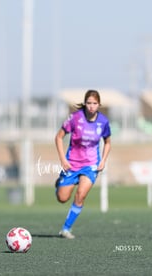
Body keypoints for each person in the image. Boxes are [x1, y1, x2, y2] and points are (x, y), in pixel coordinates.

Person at [54, 90, 111, 239]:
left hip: (91, 165)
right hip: (71, 164)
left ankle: (66, 229)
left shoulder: (103, 122)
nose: (91, 106)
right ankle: (59, 184)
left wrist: (103, 160)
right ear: (85, 103)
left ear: (99, 104)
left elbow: (107, 142)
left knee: (81, 195)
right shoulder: (74, 118)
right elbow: (59, 137)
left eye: (95, 103)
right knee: (62, 198)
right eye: (89, 103)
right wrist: (63, 160)